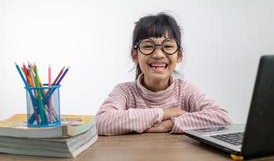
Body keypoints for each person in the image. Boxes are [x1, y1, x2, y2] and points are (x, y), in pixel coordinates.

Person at [96, 12, 232, 135]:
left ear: (179, 55)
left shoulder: (185, 91)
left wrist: (169, 124)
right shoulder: (125, 91)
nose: (158, 54)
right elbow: (102, 122)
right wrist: (165, 113)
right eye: (148, 46)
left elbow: (222, 118)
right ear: (135, 55)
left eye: (167, 46)